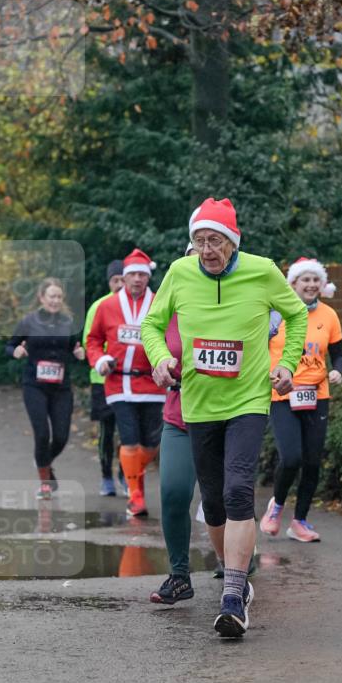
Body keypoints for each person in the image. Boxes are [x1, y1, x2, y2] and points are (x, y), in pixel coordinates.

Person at [142, 197, 308, 638]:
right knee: (212, 501)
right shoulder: (179, 274)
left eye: (215, 240)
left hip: (248, 401)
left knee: (237, 491)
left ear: (233, 242)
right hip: (198, 403)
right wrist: (159, 359)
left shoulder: (262, 270)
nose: (207, 249)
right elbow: (152, 325)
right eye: (199, 241)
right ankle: (232, 573)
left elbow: (295, 313)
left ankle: (233, 596)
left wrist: (288, 364)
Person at [259, 256, 342, 542]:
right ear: (292, 284)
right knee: (291, 457)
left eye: (314, 280)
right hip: (282, 393)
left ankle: (300, 522)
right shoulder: (276, 313)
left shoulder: (329, 315)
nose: (310, 285)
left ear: (321, 284)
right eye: (304, 280)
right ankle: (277, 505)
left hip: (317, 394)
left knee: (312, 461)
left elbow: (339, 354)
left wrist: (337, 371)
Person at [86, 248, 166, 518]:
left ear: (148, 278)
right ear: (124, 277)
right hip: (119, 384)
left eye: (141, 275)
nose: (136, 280)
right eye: (131, 274)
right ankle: (136, 496)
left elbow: (173, 337)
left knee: (151, 444)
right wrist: (99, 360)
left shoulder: (159, 303)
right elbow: (93, 340)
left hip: (153, 386)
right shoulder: (107, 306)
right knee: (129, 439)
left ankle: (133, 477)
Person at [6, 277, 84, 500]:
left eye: (59, 296)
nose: (55, 300)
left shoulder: (68, 323)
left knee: (61, 436)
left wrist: (79, 355)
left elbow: (73, 349)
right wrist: (15, 352)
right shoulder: (28, 322)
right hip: (35, 387)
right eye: (52, 296)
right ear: (42, 297)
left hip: (61, 388)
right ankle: (45, 483)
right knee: (42, 434)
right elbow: (10, 345)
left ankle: (42, 459)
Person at [150, 245, 198, 605]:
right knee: (173, 492)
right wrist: (161, 360)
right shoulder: (170, 301)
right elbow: (150, 333)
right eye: (190, 254)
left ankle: (238, 567)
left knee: (225, 498)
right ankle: (179, 575)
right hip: (179, 413)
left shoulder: (235, 297)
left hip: (227, 414)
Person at [82, 259, 128, 497]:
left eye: (123, 279)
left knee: (128, 433)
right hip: (102, 381)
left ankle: (124, 474)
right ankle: (106, 477)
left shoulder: (135, 306)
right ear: (109, 282)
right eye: (115, 280)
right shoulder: (99, 306)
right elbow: (89, 341)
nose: (119, 284)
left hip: (127, 381)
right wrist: (102, 362)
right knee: (106, 431)